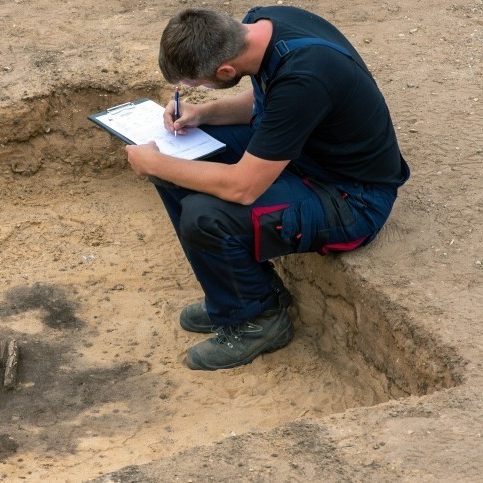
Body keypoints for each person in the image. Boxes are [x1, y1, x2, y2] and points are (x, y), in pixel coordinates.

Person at [125, 6, 409, 371]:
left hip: (350, 197)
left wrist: (154, 164)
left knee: (204, 213)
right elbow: (268, 102)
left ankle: (260, 320)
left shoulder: (305, 76)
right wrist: (202, 113)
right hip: (307, 157)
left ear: (225, 71)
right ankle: (236, 298)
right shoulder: (262, 24)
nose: (193, 91)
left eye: (197, 85)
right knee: (176, 157)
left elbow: (243, 188)